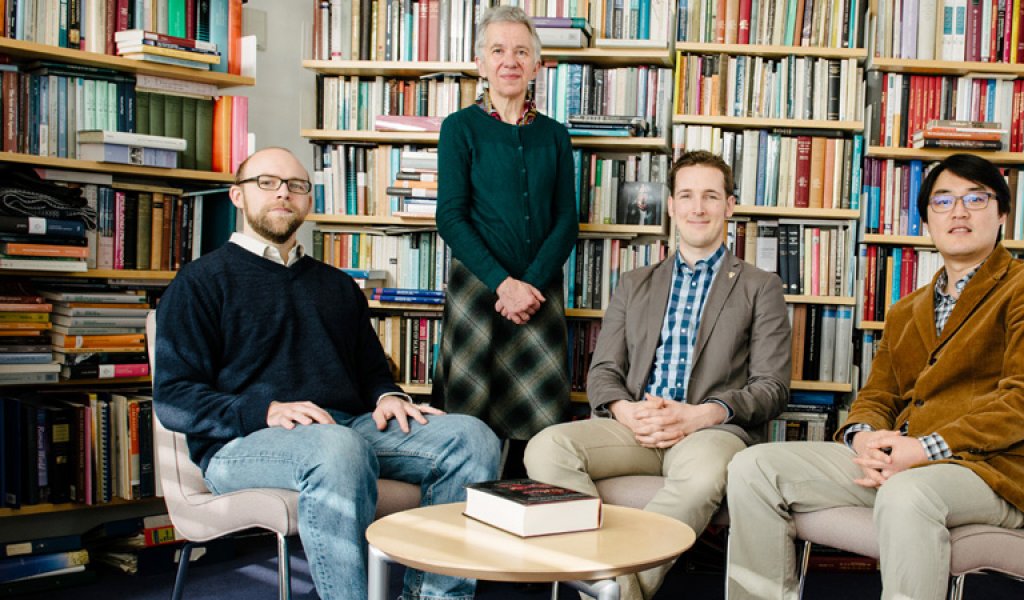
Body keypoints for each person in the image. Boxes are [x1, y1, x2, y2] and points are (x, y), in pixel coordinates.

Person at [725, 153, 1024, 600]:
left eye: (976, 198)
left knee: (907, 494)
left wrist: (924, 448)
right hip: (903, 461)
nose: (960, 211)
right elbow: (878, 393)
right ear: (927, 220)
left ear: (1002, 212)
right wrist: (863, 437)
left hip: (990, 472)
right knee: (753, 466)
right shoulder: (906, 310)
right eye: (943, 201)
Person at [154, 147, 500, 600]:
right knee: (336, 446)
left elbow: (372, 371)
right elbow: (174, 398)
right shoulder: (199, 282)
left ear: (309, 203)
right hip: (241, 445)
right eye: (267, 182)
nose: (283, 193)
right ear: (237, 196)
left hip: (344, 428)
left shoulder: (336, 285)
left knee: (472, 437)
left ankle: (435, 597)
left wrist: (387, 397)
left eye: (296, 186)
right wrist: (268, 409)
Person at [525, 150, 792, 600]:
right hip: (637, 426)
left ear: (729, 206)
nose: (697, 208)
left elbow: (771, 388)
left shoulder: (760, 286)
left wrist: (703, 414)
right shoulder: (634, 283)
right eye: (686, 196)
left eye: (710, 196)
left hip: (710, 431)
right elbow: (605, 370)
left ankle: (617, 591)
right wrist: (625, 411)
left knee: (704, 475)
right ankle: (613, 581)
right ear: (670, 205)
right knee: (547, 448)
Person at [436, 6, 579, 469]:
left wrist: (529, 286)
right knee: (468, 424)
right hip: (478, 294)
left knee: (538, 436)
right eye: (498, 50)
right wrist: (504, 284)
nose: (510, 60)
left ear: (536, 65)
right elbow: (451, 218)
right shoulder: (458, 129)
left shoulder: (555, 136)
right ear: (481, 63)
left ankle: (527, 524)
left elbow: (566, 221)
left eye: (521, 51)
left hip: (539, 297)